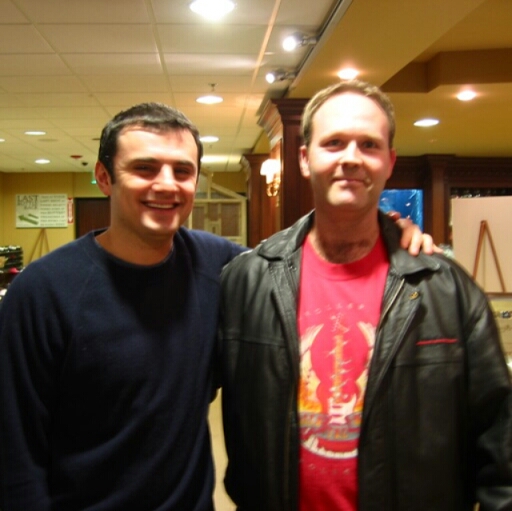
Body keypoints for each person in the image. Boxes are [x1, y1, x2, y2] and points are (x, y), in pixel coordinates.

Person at [0, 101, 431, 511]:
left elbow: (308, 263)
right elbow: (14, 453)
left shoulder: (222, 268)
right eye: (144, 168)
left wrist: (386, 233)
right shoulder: (43, 292)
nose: (166, 184)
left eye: (182, 171)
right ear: (105, 177)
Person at [219, 80, 512, 511]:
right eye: (334, 142)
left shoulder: (447, 290)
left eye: (369, 145)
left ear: (389, 162)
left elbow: (501, 447)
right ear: (304, 158)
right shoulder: (246, 282)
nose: (351, 158)